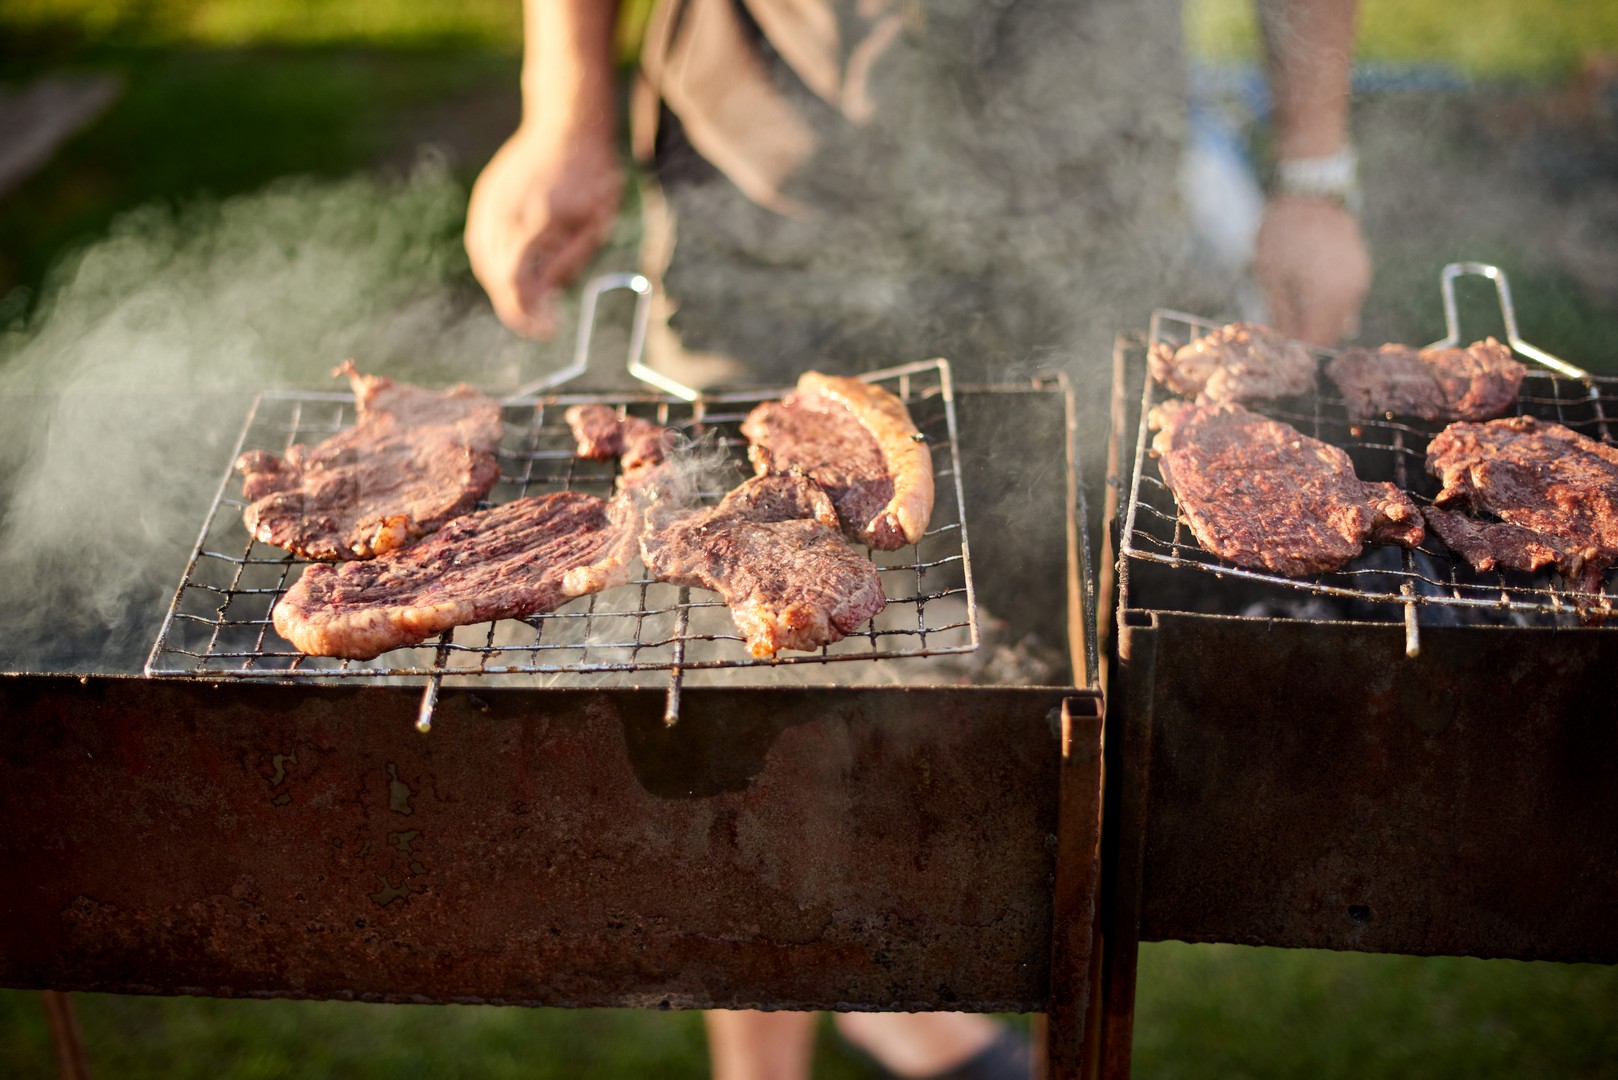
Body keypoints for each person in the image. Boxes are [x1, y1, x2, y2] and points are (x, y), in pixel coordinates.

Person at [465, 2, 1366, 1077]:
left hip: (1071, 206)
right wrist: (562, 107)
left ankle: (912, 995)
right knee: (750, 705)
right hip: (769, 182)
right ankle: (774, 1059)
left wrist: (1315, 172)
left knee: (1039, 696)